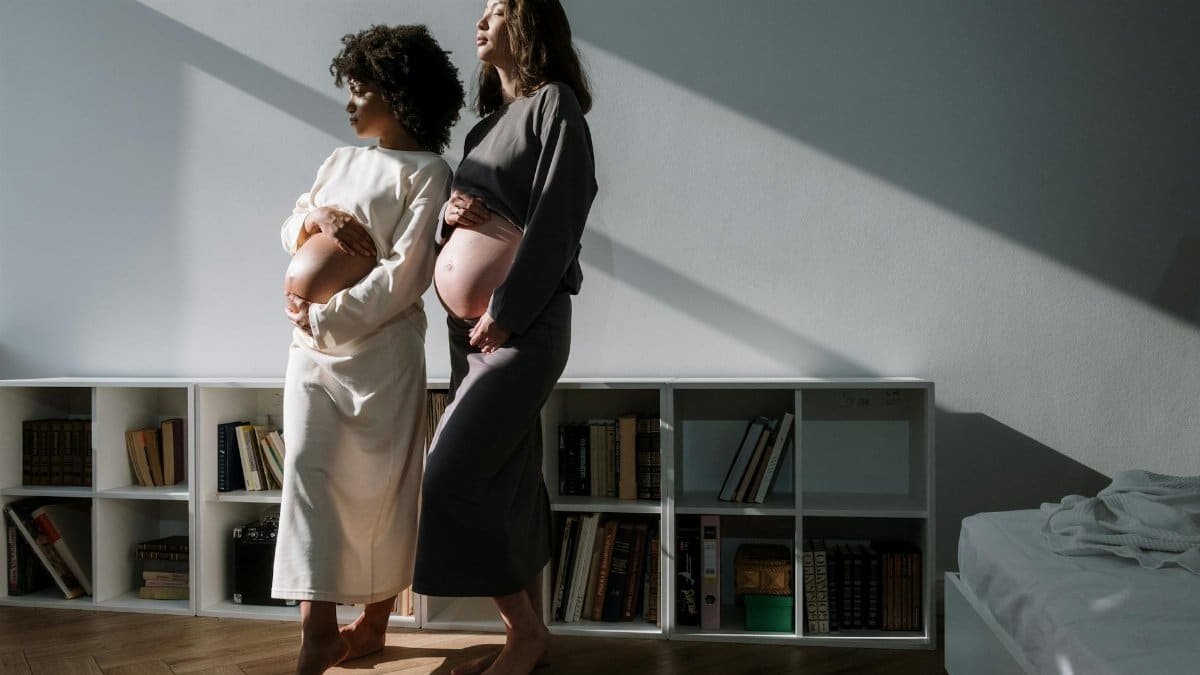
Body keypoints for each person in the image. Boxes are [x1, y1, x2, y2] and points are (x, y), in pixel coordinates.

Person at [272, 24, 464, 675]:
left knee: (381, 489)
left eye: (363, 89)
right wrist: (314, 220)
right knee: (305, 474)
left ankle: (376, 623)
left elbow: (406, 277)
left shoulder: (429, 172)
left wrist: (325, 315)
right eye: (349, 89)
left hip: (380, 354)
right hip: (311, 354)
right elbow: (290, 224)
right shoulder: (338, 160)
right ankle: (318, 632)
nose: (351, 102)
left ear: (401, 94)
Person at [412, 2, 597, 674]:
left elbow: (559, 214)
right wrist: (445, 219)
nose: (480, 20)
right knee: (509, 480)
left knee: (450, 471)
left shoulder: (556, 106)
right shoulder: (482, 129)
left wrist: (512, 308)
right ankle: (530, 633)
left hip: (521, 328)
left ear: (529, 21)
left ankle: (524, 633)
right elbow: (463, 228)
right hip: (472, 337)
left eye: (496, 8)